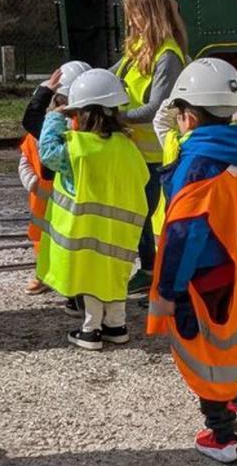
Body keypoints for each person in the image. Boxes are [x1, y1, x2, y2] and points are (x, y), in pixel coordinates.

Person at [146, 58, 237, 464]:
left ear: (189, 117)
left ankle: (221, 435)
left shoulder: (197, 166)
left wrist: (167, 292)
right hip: (236, 266)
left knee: (207, 352)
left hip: (202, 277)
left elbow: (183, 237)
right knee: (231, 339)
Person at [36, 69, 149, 350]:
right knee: (114, 278)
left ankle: (91, 331)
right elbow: (143, 178)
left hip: (87, 233)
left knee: (91, 280)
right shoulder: (128, 146)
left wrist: (53, 116)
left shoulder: (77, 148)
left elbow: (48, 154)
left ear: (81, 114)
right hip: (120, 233)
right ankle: (116, 326)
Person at [113, 0, 188, 296]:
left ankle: (151, 271)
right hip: (136, 150)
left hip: (155, 154)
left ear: (150, 12)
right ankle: (148, 268)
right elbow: (110, 76)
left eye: (135, 14)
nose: (131, 22)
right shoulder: (138, 48)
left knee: (142, 213)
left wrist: (116, 117)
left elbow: (156, 107)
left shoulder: (167, 55)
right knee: (138, 212)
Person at [19, 60, 91, 295]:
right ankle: (44, 274)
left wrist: (45, 92)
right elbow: (26, 154)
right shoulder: (53, 124)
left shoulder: (77, 129)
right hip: (45, 197)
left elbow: (31, 120)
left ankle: (67, 281)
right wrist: (31, 181)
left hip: (66, 196)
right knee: (44, 241)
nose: (61, 104)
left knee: (68, 242)